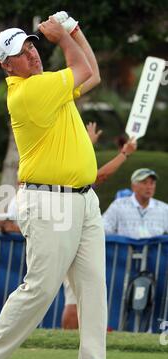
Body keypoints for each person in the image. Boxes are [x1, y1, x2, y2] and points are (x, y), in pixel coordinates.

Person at [0, 12, 107, 359]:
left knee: (94, 287)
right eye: (20, 51)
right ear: (5, 65)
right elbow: (80, 65)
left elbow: (91, 73)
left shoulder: (50, 84)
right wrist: (65, 36)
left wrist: (76, 31)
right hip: (48, 201)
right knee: (41, 288)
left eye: (32, 44)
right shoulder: (28, 93)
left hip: (84, 200)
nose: (31, 53)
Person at [62, 131, 138, 329]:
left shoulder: (60, 165)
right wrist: (124, 154)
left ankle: (80, 337)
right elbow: (100, 175)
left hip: (67, 234)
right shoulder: (67, 172)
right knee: (67, 294)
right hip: (68, 236)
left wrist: (87, 142)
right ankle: (69, 340)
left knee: (80, 292)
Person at [103, 168, 168, 238]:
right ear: (133, 186)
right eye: (144, 183)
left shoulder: (163, 208)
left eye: (152, 183)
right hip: (125, 248)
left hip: (154, 249)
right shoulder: (119, 205)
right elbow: (103, 229)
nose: (149, 187)